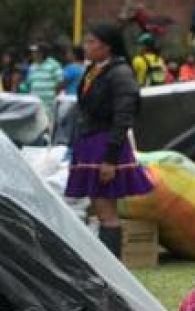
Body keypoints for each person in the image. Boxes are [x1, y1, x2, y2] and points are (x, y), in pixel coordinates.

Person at [65, 22, 153, 259]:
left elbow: (124, 115)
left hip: (104, 145)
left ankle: (112, 271)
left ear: (107, 47)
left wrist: (110, 158)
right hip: (90, 141)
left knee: (106, 212)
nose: (86, 46)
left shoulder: (120, 73)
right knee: (99, 208)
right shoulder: (94, 70)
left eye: (91, 42)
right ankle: (108, 269)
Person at [25, 43, 63, 112]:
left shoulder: (54, 64)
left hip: (49, 104)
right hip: (35, 104)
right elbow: (29, 83)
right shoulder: (32, 66)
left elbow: (60, 82)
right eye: (33, 52)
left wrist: (54, 97)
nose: (33, 54)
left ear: (41, 53)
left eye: (35, 52)